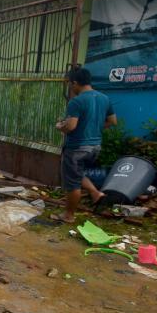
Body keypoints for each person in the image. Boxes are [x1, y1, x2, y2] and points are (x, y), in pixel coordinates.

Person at [56, 66, 117, 222]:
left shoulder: (76, 101)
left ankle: (68, 215)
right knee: (77, 173)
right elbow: (112, 121)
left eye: (71, 84)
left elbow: (71, 126)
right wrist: (94, 127)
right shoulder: (104, 98)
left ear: (75, 83)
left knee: (72, 183)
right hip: (95, 146)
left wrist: (60, 126)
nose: (71, 87)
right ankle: (95, 193)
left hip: (77, 147)